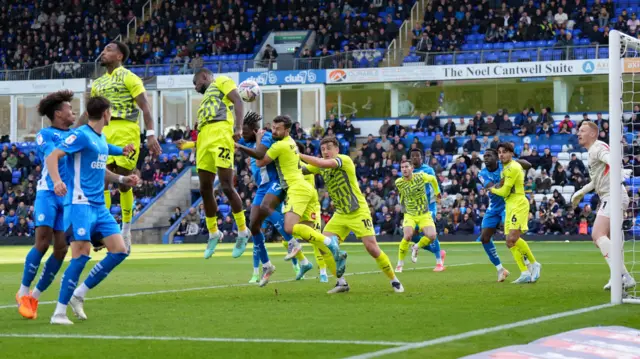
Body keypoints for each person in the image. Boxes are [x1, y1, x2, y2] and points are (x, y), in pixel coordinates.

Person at [46, 96, 138, 325]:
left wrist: (123, 178)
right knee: (80, 256)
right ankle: (58, 313)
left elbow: (101, 171)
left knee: (120, 250)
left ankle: (79, 294)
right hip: (80, 204)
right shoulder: (81, 135)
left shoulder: (100, 139)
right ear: (106, 113)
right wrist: (57, 181)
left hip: (99, 207)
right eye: (111, 111)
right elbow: (52, 156)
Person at [299, 136, 403, 294]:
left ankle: (394, 280)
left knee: (372, 248)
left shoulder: (343, 160)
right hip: (340, 214)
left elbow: (320, 163)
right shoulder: (320, 165)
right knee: (322, 245)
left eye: (329, 148)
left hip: (358, 211)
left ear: (337, 150)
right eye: (323, 149)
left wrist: (296, 153)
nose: (326, 151)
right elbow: (302, 170)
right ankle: (341, 283)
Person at [253, 115, 345, 288]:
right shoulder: (291, 142)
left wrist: (259, 138)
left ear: (286, 130)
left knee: (289, 228)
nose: (274, 131)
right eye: (272, 127)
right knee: (304, 234)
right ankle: (338, 278)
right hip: (303, 192)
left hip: (298, 191)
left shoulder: (280, 145)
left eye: (277, 128)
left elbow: (259, 161)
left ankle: (328, 247)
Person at [90, 41, 162, 253]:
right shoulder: (98, 84)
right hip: (103, 132)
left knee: (123, 182)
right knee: (100, 181)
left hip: (127, 130)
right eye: (102, 49)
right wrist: (75, 133)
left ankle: (126, 229)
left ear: (120, 56)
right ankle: (104, 230)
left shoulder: (130, 77)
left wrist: (150, 134)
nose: (103, 52)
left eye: (109, 49)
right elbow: (89, 113)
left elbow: (145, 107)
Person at [175, 68, 250, 259]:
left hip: (221, 137)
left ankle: (242, 230)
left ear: (205, 76)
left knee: (226, 186)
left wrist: (239, 127)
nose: (195, 87)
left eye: (196, 82)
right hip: (204, 141)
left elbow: (238, 101)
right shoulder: (204, 104)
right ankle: (213, 232)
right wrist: (189, 144)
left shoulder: (221, 81)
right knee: (204, 189)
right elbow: (204, 132)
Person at [235, 112, 313, 286]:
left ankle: (293, 243)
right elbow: (236, 139)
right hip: (263, 187)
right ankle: (267, 266)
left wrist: (241, 145)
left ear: (254, 130)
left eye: (245, 131)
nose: (242, 135)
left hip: (277, 182)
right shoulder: (249, 139)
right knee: (253, 225)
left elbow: (260, 156)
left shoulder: (267, 137)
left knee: (266, 208)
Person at [16, 90, 76, 319]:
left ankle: (35, 296)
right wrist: (58, 179)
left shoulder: (74, 135)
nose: (73, 113)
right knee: (42, 242)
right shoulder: (45, 134)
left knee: (61, 249)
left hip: (67, 197)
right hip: (48, 193)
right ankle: (22, 292)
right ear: (59, 113)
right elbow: (51, 154)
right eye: (70, 109)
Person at [571, 122, 636, 290]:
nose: (579, 133)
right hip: (612, 195)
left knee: (597, 234)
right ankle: (619, 276)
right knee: (609, 240)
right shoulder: (592, 151)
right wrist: (581, 192)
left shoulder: (597, 148)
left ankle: (623, 276)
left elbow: (610, 158)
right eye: (578, 130)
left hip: (613, 195)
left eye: (583, 130)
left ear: (593, 134)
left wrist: (619, 169)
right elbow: (596, 179)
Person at [491, 143, 541, 284]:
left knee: (512, 238)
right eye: (499, 152)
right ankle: (524, 272)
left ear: (511, 153)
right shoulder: (506, 167)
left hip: (518, 203)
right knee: (509, 241)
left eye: (504, 152)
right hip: (510, 204)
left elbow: (505, 191)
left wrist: (491, 189)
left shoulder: (512, 167)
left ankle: (534, 263)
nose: (501, 154)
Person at [395, 160, 440, 273]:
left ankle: (416, 247)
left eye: (406, 167)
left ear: (412, 168)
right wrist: (402, 206)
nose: (404, 169)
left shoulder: (421, 176)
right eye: (402, 167)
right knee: (408, 236)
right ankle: (400, 263)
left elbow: (433, 179)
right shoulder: (398, 182)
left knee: (432, 236)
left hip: (424, 213)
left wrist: (437, 193)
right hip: (410, 214)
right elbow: (402, 194)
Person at [407, 148, 446, 270]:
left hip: (429, 206)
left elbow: (435, 184)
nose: (415, 158)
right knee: (412, 235)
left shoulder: (428, 170)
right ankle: (422, 247)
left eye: (417, 156)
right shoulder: (409, 171)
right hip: (416, 208)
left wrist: (438, 195)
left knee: (430, 232)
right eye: (412, 156)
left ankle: (439, 262)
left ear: (421, 157)